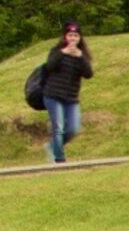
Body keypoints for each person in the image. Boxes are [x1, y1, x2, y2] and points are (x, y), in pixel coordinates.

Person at [39, 23, 95, 163]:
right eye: (70, 35)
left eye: (75, 35)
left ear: (80, 38)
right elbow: (50, 66)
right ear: (65, 37)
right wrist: (62, 53)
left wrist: (80, 56)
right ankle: (59, 159)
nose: (73, 38)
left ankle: (52, 146)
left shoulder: (82, 55)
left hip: (71, 98)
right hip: (53, 95)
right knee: (58, 128)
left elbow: (88, 74)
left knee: (73, 129)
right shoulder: (57, 51)